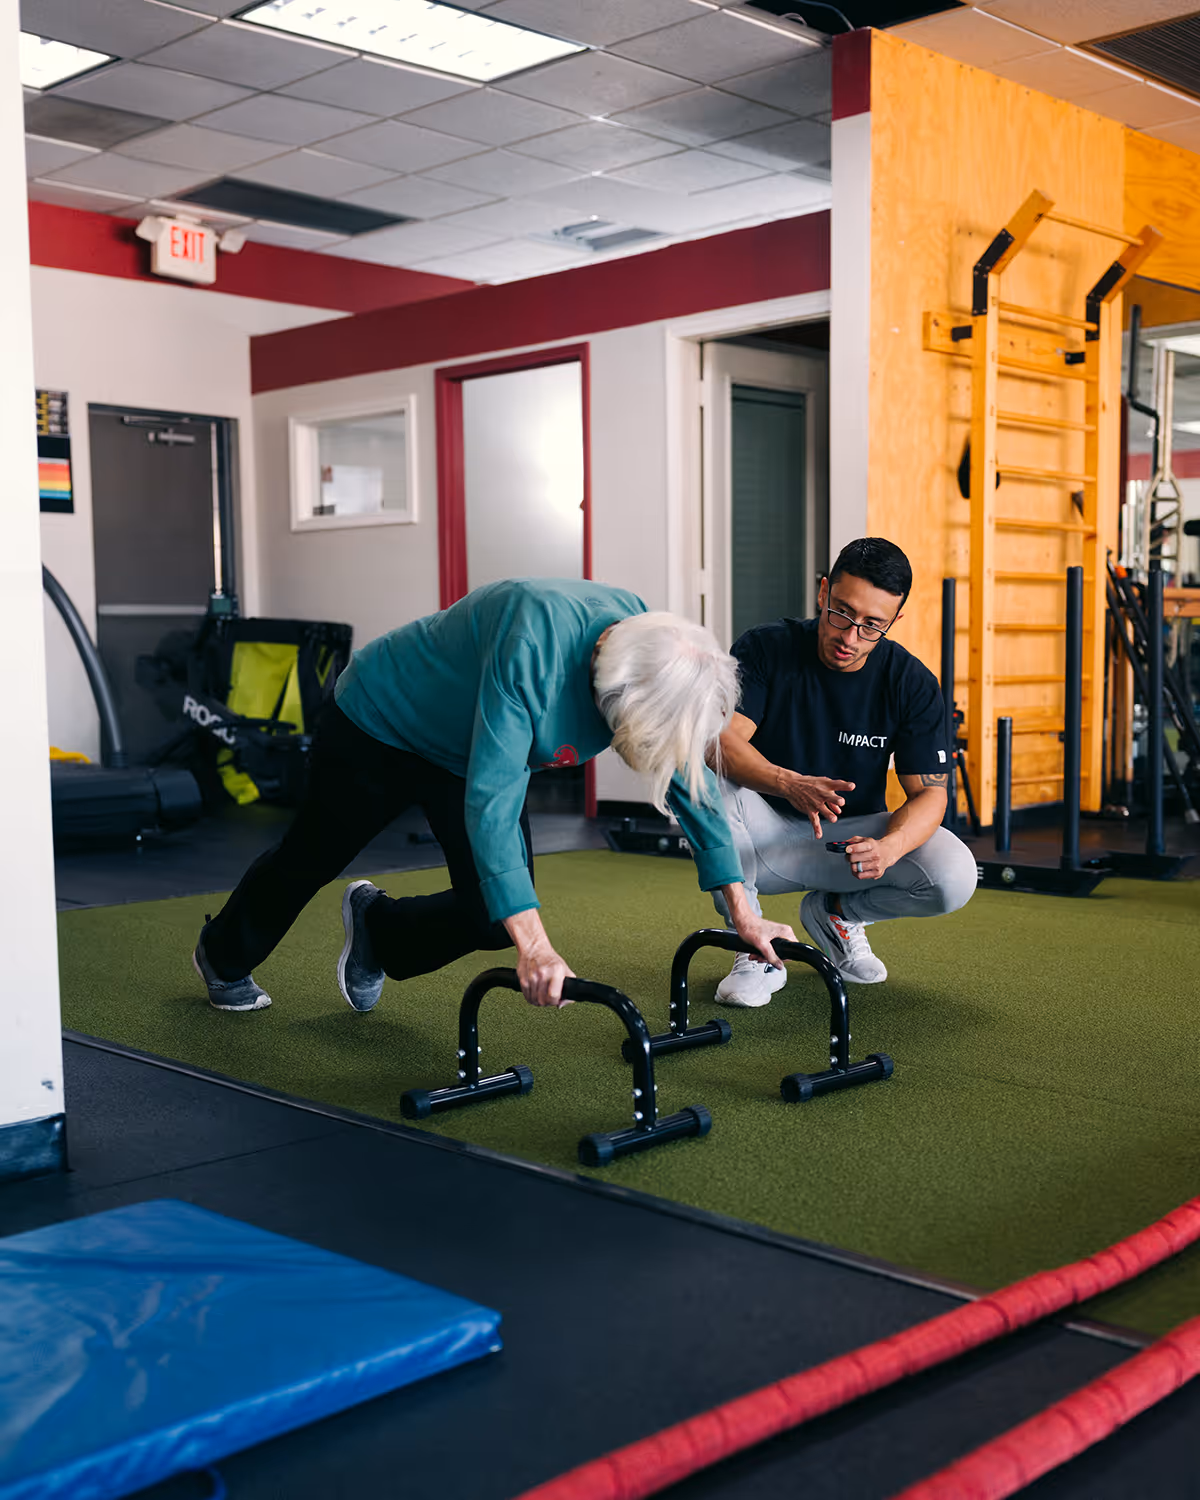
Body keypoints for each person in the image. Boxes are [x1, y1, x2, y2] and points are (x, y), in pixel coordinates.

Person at [192, 577, 796, 1014]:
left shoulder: (649, 640)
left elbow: (687, 775)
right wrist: (535, 946)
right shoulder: (531, 645)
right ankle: (223, 953)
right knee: (314, 855)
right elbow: (492, 804)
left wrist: (743, 911)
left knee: (490, 914)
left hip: (464, 746)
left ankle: (378, 927)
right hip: (380, 721)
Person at [710, 537, 978, 1006]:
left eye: (872, 625)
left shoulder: (911, 683)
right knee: (701, 776)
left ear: (894, 621)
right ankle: (754, 946)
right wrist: (786, 782)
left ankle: (837, 913)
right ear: (823, 593)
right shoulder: (766, 647)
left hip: (844, 845)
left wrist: (889, 848)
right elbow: (722, 743)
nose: (850, 637)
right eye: (841, 613)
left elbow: (930, 795)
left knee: (955, 874)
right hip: (760, 836)